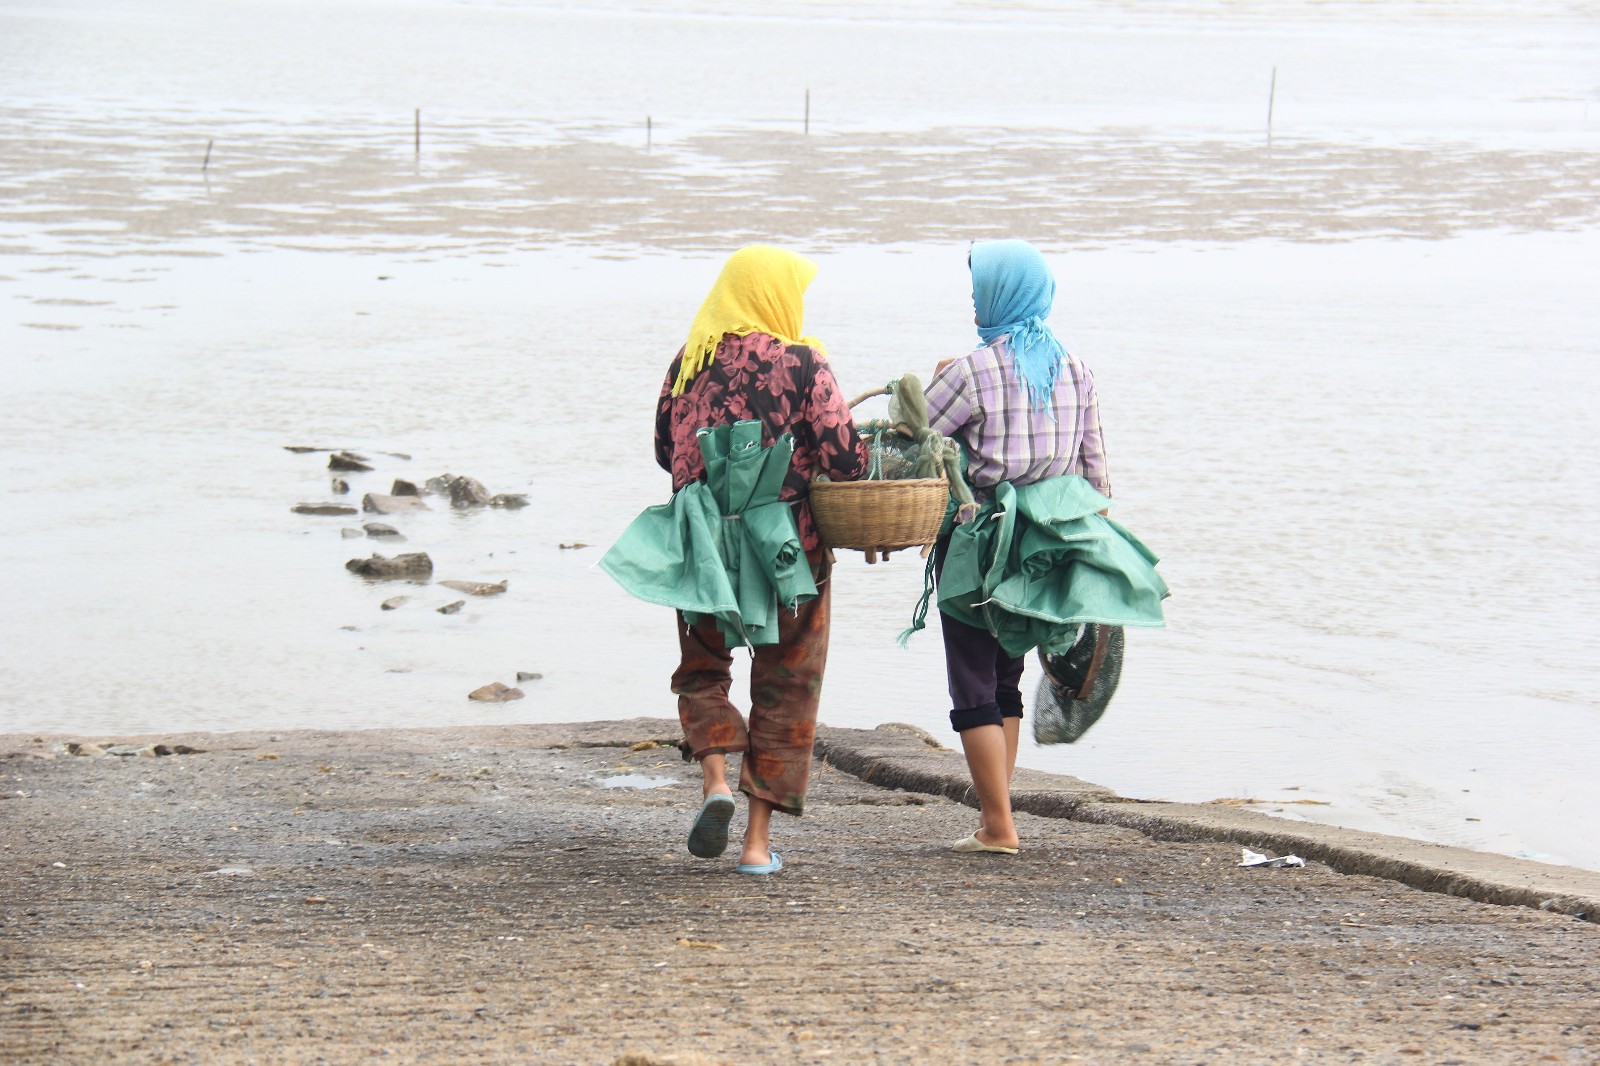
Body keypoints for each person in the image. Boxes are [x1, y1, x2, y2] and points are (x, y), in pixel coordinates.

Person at [653, 245, 868, 875]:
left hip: (701, 547)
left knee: (702, 669)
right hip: (788, 554)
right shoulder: (803, 362)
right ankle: (755, 846)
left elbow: (667, 452)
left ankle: (715, 782)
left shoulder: (687, 362)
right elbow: (846, 461)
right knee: (787, 685)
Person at [923, 239, 1113, 856]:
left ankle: (999, 827)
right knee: (1006, 678)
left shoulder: (972, 372)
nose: (973, 296)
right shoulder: (1076, 369)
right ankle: (994, 818)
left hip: (981, 545)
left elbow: (913, 435)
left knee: (972, 683)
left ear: (997, 294)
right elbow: (1096, 482)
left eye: (978, 286)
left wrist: (936, 380)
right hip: (1044, 549)